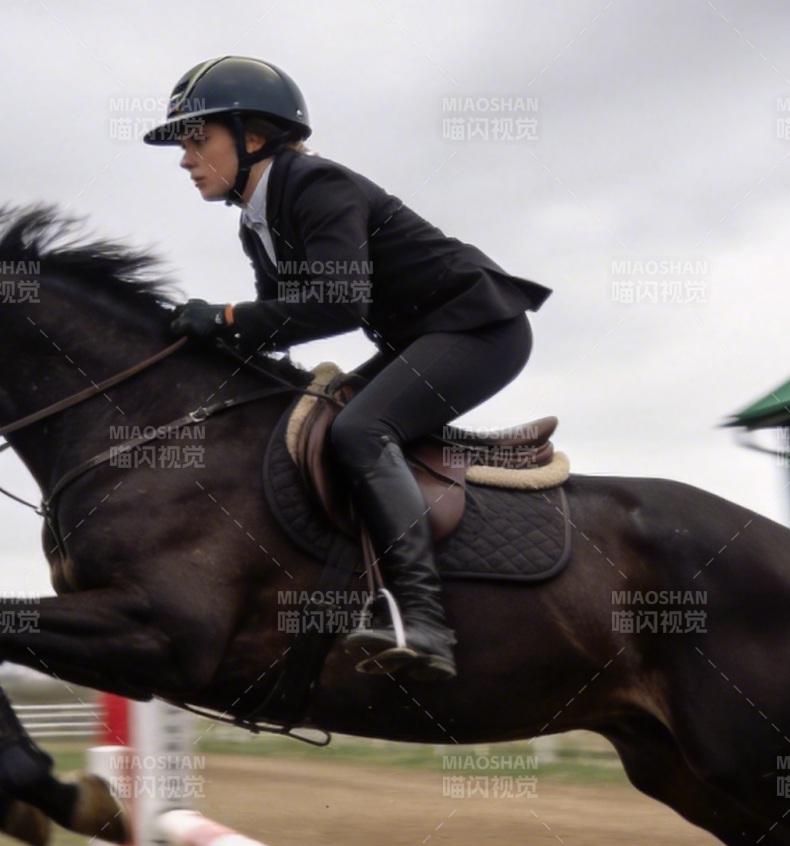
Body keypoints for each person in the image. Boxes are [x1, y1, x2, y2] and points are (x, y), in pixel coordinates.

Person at [145, 56, 550, 683]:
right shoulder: (258, 225)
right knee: (317, 414)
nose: (185, 158)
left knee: (359, 430)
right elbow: (280, 322)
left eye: (198, 139)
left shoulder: (315, 186)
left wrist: (223, 319)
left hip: (480, 328)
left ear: (253, 137)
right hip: (426, 336)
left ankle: (423, 619)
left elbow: (337, 303)